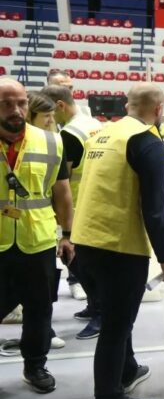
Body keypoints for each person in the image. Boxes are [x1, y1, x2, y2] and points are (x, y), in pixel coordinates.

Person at [71, 83, 164, 399]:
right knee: (116, 326)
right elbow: (155, 208)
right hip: (118, 246)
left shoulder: (102, 135)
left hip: (84, 242)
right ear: (158, 109)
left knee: (117, 313)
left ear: (126, 104)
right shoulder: (146, 141)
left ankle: (128, 370)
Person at [0, 78, 75, 393]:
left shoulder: (51, 141)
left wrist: (67, 235)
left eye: (21, 103)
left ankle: (35, 365)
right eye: (6, 104)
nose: (16, 110)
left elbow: (62, 192)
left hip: (38, 240)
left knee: (39, 309)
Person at [41, 85, 104, 340]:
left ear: (60, 105)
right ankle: (94, 305)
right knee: (88, 262)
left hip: (76, 207)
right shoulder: (93, 123)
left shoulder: (68, 135)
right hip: (94, 203)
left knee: (78, 262)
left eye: (50, 112)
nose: (49, 118)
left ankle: (100, 313)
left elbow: (61, 179)